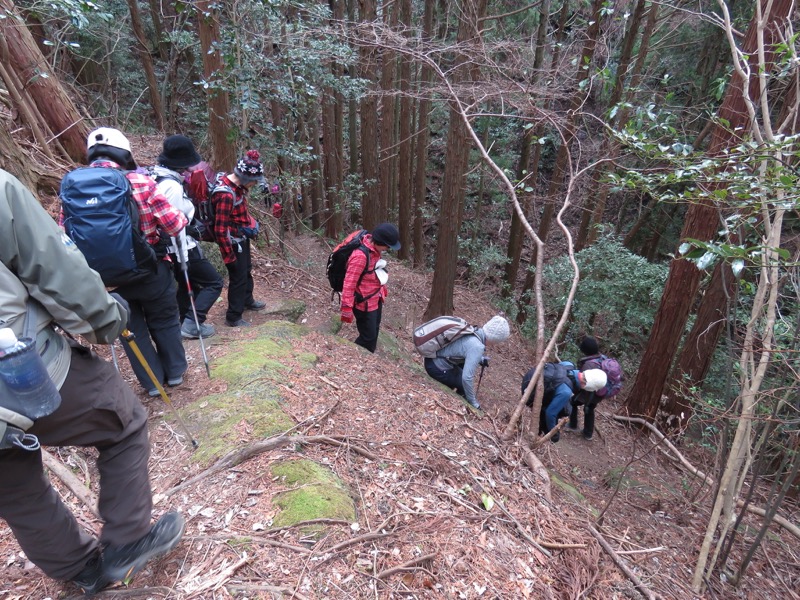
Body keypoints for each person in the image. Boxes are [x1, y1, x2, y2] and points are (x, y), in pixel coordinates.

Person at [0, 168, 185, 595]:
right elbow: (51, 261)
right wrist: (104, 317)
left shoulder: (73, 187)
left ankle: (81, 569)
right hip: (20, 365)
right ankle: (126, 543)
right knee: (123, 422)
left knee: (11, 483)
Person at [62, 128, 189, 397]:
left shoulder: (73, 187)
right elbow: (174, 224)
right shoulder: (140, 182)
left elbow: (66, 235)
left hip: (106, 278)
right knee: (164, 319)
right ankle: (176, 372)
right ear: (125, 152)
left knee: (131, 330)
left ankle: (153, 384)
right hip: (150, 268)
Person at [153, 135, 223, 339]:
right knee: (213, 282)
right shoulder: (172, 187)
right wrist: (183, 256)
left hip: (169, 249)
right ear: (180, 164)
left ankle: (182, 322)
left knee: (187, 286)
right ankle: (193, 322)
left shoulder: (157, 178)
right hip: (181, 248)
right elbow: (173, 227)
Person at [211, 149, 266, 327]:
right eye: (254, 182)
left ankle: (247, 300)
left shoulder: (236, 187)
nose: (254, 185)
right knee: (238, 276)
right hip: (233, 243)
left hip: (241, 237)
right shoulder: (226, 195)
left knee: (246, 270)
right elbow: (220, 229)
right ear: (245, 178)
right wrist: (229, 256)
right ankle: (233, 316)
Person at [424, 315, 510, 409]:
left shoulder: (473, 330)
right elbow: (467, 378)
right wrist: (474, 403)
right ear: (495, 340)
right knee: (464, 386)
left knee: (462, 372)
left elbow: (462, 348)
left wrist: (480, 359)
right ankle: (458, 404)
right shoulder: (477, 347)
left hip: (432, 358)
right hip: (436, 367)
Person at [340, 223, 400, 353]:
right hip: (364, 304)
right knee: (368, 337)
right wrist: (347, 308)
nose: (387, 249)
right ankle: (354, 355)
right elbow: (349, 284)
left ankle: (368, 355)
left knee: (374, 332)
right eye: (387, 246)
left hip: (375, 298)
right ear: (380, 242)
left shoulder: (374, 251)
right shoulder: (359, 256)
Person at [521, 360, 607, 442]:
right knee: (563, 409)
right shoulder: (566, 392)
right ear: (589, 386)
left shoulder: (568, 365)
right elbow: (550, 413)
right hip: (529, 395)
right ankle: (539, 434)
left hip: (529, 379)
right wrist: (553, 434)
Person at [566, 336, 606, 440]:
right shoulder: (602, 358)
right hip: (599, 393)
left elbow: (582, 382)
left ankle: (573, 424)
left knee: (572, 402)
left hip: (588, 393)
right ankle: (588, 433)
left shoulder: (589, 364)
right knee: (589, 409)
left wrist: (574, 390)